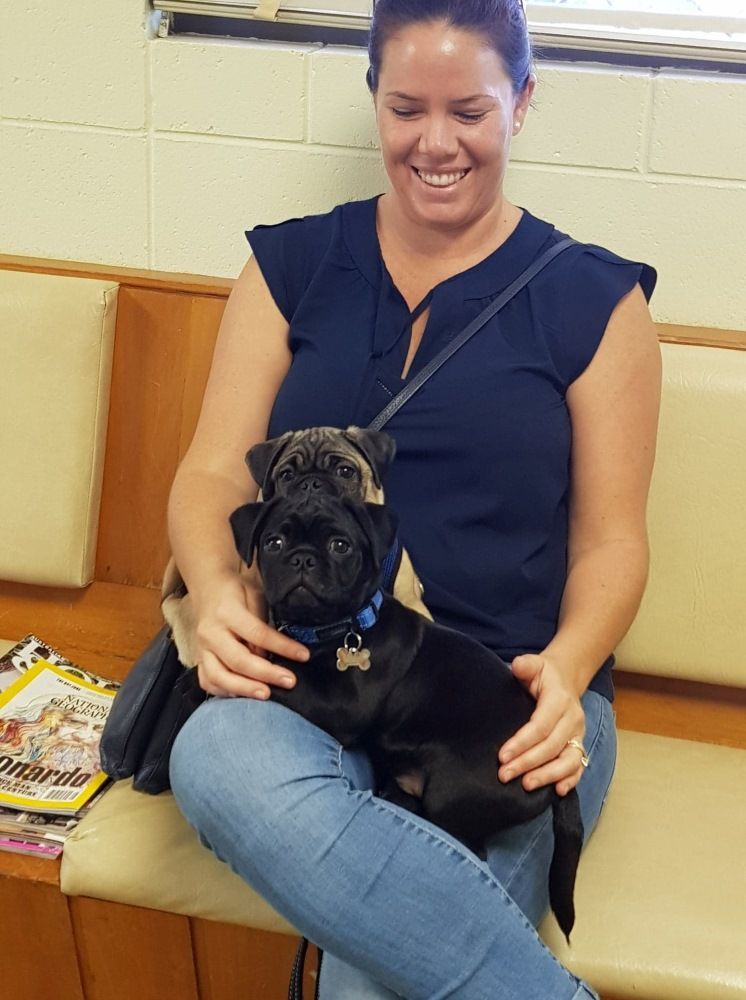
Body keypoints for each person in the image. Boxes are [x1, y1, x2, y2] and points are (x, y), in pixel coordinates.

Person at [167, 0, 661, 996]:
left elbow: (612, 540)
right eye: (405, 108)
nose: (434, 143)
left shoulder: (597, 302)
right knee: (214, 751)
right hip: (306, 672)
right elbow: (212, 471)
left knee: (363, 985)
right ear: (374, 103)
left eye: (468, 110)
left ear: (520, 103)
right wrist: (219, 592)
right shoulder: (288, 268)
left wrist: (564, 673)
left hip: (500, 703)